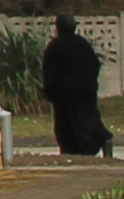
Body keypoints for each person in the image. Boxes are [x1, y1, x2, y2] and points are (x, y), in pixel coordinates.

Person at [39, 13, 112, 160]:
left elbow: (49, 72)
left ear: (57, 27)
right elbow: (94, 65)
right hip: (85, 92)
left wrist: (50, 92)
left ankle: (71, 152)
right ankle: (102, 140)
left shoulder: (55, 47)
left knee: (67, 125)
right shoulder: (83, 44)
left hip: (64, 94)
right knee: (89, 120)